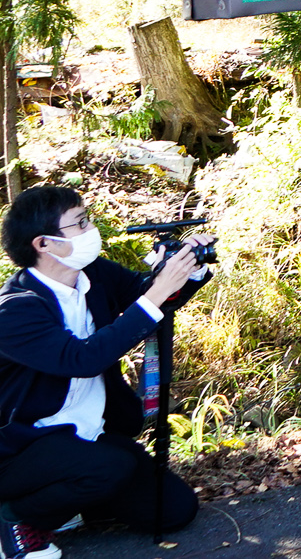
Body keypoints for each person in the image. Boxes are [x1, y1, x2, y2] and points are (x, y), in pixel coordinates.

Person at [0, 187, 206, 559]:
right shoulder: (15, 309)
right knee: (111, 467)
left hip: (87, 433)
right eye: (80, 223)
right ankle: (16, 519)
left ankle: (68, 504)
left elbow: (150, 295)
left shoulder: (93, 274)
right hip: (21, 447)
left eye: (87, 218)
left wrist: (187, 266)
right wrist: (156, 293)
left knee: (175, 510)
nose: (90, 228)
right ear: (44, 244)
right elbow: (82, 359)